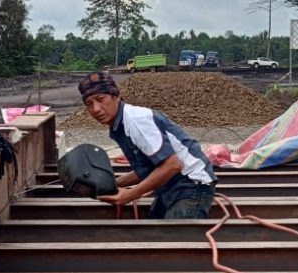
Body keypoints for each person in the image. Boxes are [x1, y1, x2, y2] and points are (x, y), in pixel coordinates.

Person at [77, 71, 216, 218]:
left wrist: (130, 195)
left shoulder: (136, 121)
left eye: (100, 99)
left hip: (192, 184)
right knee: (152, 232)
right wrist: (113, 184)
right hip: (170, 186)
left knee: (173, 238)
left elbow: (172, 165)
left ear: (116, 96)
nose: (96, 109)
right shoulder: (120, 125)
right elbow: (146, 169)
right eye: (89, 104)